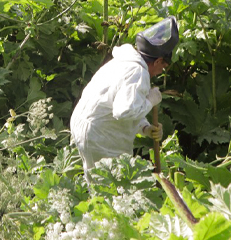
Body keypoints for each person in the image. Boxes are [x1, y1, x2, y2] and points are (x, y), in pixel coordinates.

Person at [70, 16, 179, 175]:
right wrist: (150, 101)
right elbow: (124, 111)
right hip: (100, 135)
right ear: (158, 61)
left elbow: (123, 101)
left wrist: (145, 128)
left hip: (86, 127)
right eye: (164, 66)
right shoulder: (138, 72)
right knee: (112, 190)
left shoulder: (125, 62)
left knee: (100, 187)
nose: (162, 71)